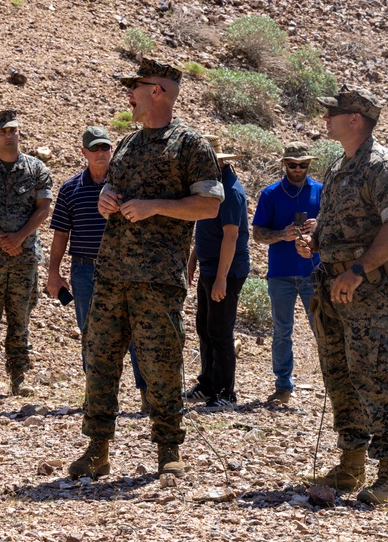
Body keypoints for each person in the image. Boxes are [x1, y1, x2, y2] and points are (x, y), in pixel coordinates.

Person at [68, 58, 222, 480]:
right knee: (99, 361)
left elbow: (209, 205)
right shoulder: (129, 144)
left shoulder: (190, 145)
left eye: (134, 87)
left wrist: (155, 206)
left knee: (160, 364)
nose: (128, 95)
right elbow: (114, 190)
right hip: (111, 274)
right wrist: (106, 201)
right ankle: (97, 449)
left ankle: (168, 449)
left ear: (157, 90)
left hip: (156, 279)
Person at [295, 86, 388, 505]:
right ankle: (351, 463)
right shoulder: (340, 166)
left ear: (355, 119)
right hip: (331, 286)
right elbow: (348, 223)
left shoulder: (382, 166)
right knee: (339, 375)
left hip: (364, 291)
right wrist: (317, 239)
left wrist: (359, 269)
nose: (325, 118)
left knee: (373, 376)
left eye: (333, 112)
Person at [47, 125, 148, 412]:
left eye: (105, 147)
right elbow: (61, 234)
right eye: (95, 148)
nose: (101, 153)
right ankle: (97, 398)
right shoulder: (70, 189)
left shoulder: (127, 186)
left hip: (125, 268)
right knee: (91, 334)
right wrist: (54, 273)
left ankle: (146, 395)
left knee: (136, 333)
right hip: (85, 271)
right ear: (84, 153)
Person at [0, 109, 53, 398]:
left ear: (19, 133)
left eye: (13, 130)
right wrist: (1, 238)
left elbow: (43, 209)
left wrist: (18, 238)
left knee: (20, 318)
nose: (9, 135)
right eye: (3, 131)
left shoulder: (37, 169)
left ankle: (19, 376)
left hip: (24, 257)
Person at [251, 141, 322, 406]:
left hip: (314, 273)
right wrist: (282, 234)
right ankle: (283, 387)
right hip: (280, 274)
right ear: (284, 164)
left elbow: (336, 229)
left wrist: (319, 225)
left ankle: (334, 383)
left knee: (322, 329)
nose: (298, 169)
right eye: (292, 164)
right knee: (282, 331)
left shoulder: (321, 191)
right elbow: (258, 234)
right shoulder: (270, 194)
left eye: (303, 165)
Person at [185, 139, 250, 411]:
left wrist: (222, 278)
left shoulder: (231, 191)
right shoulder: (209, 188)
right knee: (205, 327)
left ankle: (225, 392)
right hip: (210, 268)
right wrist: (192, 261)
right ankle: (208, 384)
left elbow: (231, 236)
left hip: (226, 270)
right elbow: (203, 230)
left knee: (220, 331)